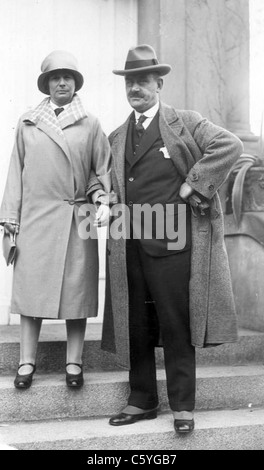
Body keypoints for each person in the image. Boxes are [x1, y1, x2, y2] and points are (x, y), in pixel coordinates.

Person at [99, 44, 243, 434]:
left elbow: (230, 145)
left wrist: (192, 185)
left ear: (159, 84)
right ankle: (141, 400)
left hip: (174, 241)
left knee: (176, 322)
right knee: (137, 322)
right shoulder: (116, 136)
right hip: (128, 241)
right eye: (130, 81)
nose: (136, 88)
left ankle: (182, 406)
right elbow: (107, 181)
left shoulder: (186, 122)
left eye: (143, 80)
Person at [0, 50, 111, 389]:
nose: (61, 82)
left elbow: (99, 171)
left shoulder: (90, 123)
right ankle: (26, 362)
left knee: (77, 295)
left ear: (76, 83)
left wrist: (103, 199)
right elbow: (15, 174)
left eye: (68, 77)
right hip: (35, 219)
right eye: (55, 77)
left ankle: (74, 363)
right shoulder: (28, 121)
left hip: (77, 219)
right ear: (46, 84)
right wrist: (10, 218)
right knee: (31, 291)